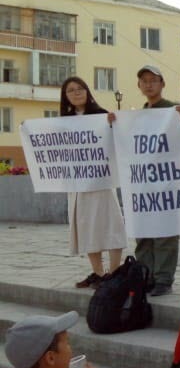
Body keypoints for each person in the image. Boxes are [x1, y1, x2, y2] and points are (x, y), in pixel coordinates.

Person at [108, 65, 180, 297]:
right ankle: (146, 276)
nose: (149, 84)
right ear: (139, 86)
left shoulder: (173, 110)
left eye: (153, 80)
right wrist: (114, 124)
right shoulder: (136, 116)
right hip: (142, 186)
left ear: (162, 84)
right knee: (143, 233)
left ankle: (163, 279)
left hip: (165, 183)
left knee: (165, 233)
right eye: (144, 81)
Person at [59, 77, 126, 288]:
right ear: (65, 96)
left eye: (80, 88)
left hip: (102, 180)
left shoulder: (102, 115)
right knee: (86, 226)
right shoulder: (64, 120)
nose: (77, 92)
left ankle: (114, 272)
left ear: (88, 91)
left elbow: (117, 142)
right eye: (71, 90)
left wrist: (114, 124)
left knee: (111, 224)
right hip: (78, 183)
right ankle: (98, 272)